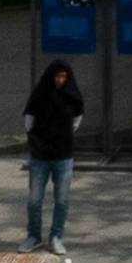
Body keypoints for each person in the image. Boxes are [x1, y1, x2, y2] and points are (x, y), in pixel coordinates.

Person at [20, 60, 84, 252]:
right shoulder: (40, 96)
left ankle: (56, 236)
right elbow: (29, 122)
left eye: (63, 76)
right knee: (35, 199)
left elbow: (75, 122)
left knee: (62, 199)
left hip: (63, 156)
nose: (60, 80)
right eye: (57, 76)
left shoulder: (72, 98)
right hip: (40, 156)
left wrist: (61, 138)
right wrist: (39, 141)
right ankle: (33, 236)